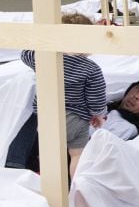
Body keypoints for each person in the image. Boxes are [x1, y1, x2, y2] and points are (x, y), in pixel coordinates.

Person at [4, 13, 107, 177]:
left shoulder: (44, 58)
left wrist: (44, 41)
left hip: (47, 118)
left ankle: (47, 183)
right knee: (77, 155)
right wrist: (99, 115)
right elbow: (96, 98)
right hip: (76, 120)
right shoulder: (91, 69)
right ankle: (76, 185)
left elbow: (25, 53)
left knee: (49, 154)